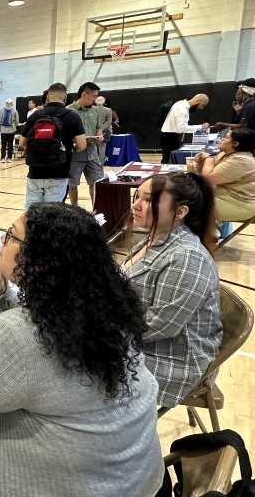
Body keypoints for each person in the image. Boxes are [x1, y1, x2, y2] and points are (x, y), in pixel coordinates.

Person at [0, 203, 163, 497]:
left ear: (38, 260)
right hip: (135, 480)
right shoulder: (103, 308)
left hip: (72, 484)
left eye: (10, 235)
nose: (2, 243)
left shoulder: (18, 333)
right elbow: (47, 333)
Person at [124, 172, 222, 408]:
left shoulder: (186, 257)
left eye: (148, 200)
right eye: (137, 196)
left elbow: (160, 325)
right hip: (140, 338)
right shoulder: (155, 238)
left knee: (73, 368)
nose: (135, 205)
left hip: (174, 359)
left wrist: (99, 332)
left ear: (180, 212)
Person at [19, 83, 86, 208]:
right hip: (58, 172)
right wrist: (71, 148)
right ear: (65, 98)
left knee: (31, 211)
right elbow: (82, 145)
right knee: (52, 211)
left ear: (48, 98)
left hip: (35, 171)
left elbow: (22, 143)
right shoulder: (72, 116)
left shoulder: (35, 115)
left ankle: (30, 228)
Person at [195, 128, 255, 222]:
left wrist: (208, 159)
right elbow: (203, 177)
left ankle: (201, 235)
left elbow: (209, 179)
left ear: (235, 143)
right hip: (221, 195)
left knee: (187, 206)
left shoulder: (242, 160)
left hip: (239, 202)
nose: (222, 139)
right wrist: (201, 164)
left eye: (226, 138)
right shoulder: (225, 154)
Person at [66, 82, 104, 205]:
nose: (95, 100)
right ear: (84, 94)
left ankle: (97, 210)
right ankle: (75, 209)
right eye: (93, 96)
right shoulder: (68, 111)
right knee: (72, 184)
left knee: (96, 182)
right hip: (75, 155)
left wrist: (99, 135)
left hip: (92, 154)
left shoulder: (95, 110)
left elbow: (98, 127)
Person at [160, 93, 210, 163]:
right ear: (198, 101)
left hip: (170, 135)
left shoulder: (180, 103)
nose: (201, 108)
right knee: (168, 160)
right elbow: (182, 128)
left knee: (168, 158)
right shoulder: (182, 109)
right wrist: (201, 127)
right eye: (202, 105)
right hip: (170, 137)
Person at [0, 98, 19, 163]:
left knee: (3, 144)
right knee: (10, 144)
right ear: (11, 103)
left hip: (3, 130)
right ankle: (9, 158)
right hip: (11, 130)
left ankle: (2, 158)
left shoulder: (1, 110)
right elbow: (17, 121)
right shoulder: (14, 111)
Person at [95, 95, 113, 165]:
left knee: (92, 149)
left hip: (92, 132)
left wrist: (97, 129)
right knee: (102, 149)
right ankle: (100, 164)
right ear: (104, 102)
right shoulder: (108, 110)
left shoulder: (91, 109)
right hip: (104, 132)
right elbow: (109, 122)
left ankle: (94, 164)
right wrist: (101, 129)